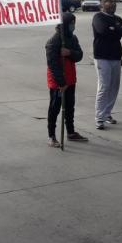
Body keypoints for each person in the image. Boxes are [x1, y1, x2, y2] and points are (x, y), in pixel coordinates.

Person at [45, 12, 88, 147]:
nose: (73, 26)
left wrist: (69, 53)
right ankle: (51, 136)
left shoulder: (72, 38)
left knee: (70, 107)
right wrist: (61, 83)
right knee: (55, 109)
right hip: (58, 82)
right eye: (71, 23)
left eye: (74, 23)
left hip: (70, 79)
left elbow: (79, 55)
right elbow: (52, 64)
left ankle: (70, 132)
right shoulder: (54, 41)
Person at [93, 0, 122, 130]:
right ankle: (99, 118)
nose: (113, 4)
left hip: (116, 57)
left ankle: (107, 113)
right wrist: (117, 30)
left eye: (114, 2)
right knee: (104, 87)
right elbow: (102, 31)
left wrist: (116, 29)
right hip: (102, 57)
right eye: (109, 2)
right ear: (102, 3)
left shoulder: (117, 18)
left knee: (114, 87)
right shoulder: (98, 17)